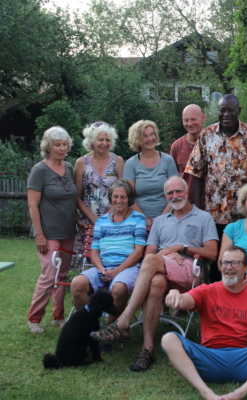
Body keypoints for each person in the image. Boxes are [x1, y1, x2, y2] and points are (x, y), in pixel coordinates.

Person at [90, 176, 219, 372]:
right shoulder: (160, 222)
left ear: (187, 192)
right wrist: (165, 255)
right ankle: (147, 349)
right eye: (170, 193)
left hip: (188, 269)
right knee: (156, 281)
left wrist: (181, 247)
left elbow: (212, 253)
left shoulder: (203, 217)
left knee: (151, 261)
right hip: (161, 268)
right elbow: (150, 254)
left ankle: (123, 322)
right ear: (165, 196)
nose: (175, 196)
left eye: (178, 191)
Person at [161, 245, 247, 400]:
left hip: (246, 360)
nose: (228, 267)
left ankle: (241, 392)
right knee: (169, 339)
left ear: (246, 268)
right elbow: (185, 300)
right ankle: (206, 392)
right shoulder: (207, 290)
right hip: (209, 359)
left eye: (235, 263)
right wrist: (175, 293)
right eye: (225, 263)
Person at [185, 94, 247, 282]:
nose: (226, 114)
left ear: (239, 111)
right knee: (217, 262)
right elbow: (196, 173)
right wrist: (198, 210)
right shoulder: (206, 136)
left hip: (245, 215)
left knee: (242, 260)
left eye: (230, 110)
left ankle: (244, 293)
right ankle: (216, 294)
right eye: (222, 110)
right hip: (214, 214)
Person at [27, 127, 80, 333]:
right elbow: (33, 205)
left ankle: (58, 316)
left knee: (62, 275)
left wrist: (78, 220)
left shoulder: (68, 167)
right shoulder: (39, 171)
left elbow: (71, 200)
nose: (62, 148)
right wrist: (39, 235)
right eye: (58, 145)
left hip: (68, 230)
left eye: (65, 144)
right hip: (48, 232)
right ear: (48, 147)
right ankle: (34, 318)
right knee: (49, 274)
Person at [70, 179, 146, 324]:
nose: (119, 200)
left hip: (127, 268)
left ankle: (111, 329)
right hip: (103, 268)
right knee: (77, 283)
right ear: (110, 197)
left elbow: (138, 252)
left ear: (129, 199)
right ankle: (90, 325)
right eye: (115, 196)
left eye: (123, 197)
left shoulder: (138, 218)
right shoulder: (101, 221)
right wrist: (101, 269)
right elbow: (94, 252)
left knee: (119, 288)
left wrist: (116, 271)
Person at [123, 120, 178, 229]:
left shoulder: (168, 160)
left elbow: (176, 193)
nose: (150, 139)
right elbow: (128, 197)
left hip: (168, 218)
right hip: (138, 220)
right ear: (137, 139)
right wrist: (144, 219)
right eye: (145, 136)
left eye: (152, 134)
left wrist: (162, 218)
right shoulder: (131, 163)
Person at [74, 121, 124, 226]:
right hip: (88, 222)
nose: (104, 143)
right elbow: (76, 197)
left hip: (113, 220)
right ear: (92, 140)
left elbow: (123, 193)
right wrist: (92, 218)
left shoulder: (118, 161)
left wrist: (106, 217)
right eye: (101, 140)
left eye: (108, 140)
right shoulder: (81, 162)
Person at [170, 104, 206, 203]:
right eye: (186, 120)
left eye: (193, 119)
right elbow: (173, 178)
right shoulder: (177, 146)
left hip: (210, 204)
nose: (189, 124)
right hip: (186, 204)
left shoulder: (213, 144)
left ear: (203, 118)